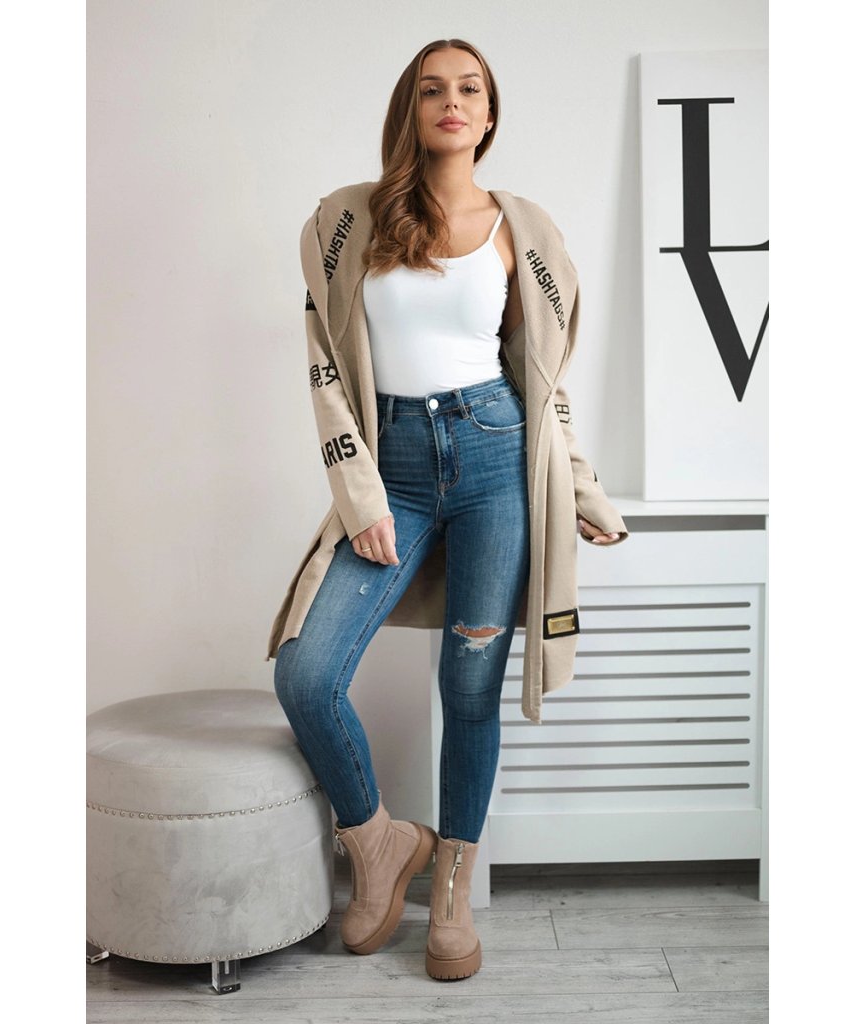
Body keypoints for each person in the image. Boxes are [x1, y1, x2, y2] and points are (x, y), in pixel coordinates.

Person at [268, 38, 629, 981]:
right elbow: (325, 368)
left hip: (495, 463)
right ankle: (380, 841)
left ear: (490, 114)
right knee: (307, 674)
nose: (452, 101)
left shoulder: (523, 230)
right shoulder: (348, 221)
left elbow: (541, 382)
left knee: (469, 690)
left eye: (470, 88)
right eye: (433, 89)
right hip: (392, 467)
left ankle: (455, 886)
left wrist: (579, 488)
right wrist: (359, 495)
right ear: (412, 109)